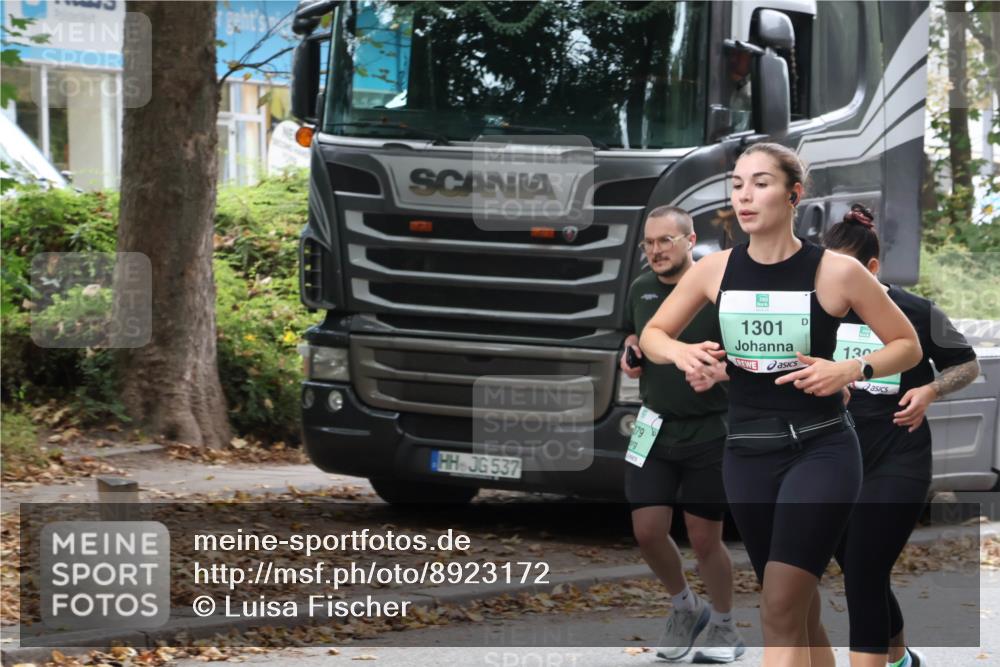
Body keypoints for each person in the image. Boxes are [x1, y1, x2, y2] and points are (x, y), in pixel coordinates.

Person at [639, 142, 922, 667]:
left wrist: (850, 368)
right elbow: (654, 333)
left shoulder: (836, 272)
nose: (745, 196)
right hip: (746, 455)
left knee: (777, 607)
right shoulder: (714, 271)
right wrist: (680, 352)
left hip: (821, 452)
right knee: (801, 611)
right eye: (738, 184)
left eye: (761, 183)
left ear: (794, 195)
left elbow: (906, 345)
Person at [824, 204, 980, 667]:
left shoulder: (915, 311)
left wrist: (931, 389)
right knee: (855, 567)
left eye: (846, 270)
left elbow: (966, 364)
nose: (834, 282)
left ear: (871, 269)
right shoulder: (818, 312)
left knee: (865, 571)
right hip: (832, 458)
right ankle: (900, 658)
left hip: (898, 460)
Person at [621, 205, 744, 663]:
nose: (655, 251)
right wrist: (631, 351)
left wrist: (719, 370)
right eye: (649, 243)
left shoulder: (717, 291)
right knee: (647, 530)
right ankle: (685, 608)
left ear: (690, 241)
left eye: (664, 241)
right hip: (652, 426)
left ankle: (726, 626)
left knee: (704, 537)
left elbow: (746, 355)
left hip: (710, 429)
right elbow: (635, 336)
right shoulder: (640, 288)